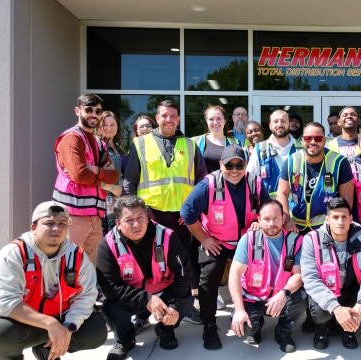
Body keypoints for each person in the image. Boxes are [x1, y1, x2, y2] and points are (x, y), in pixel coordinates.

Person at [0, 201, 106, 360]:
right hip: (24, 321)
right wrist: (49, 324)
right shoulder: (13, 254)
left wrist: (68, 327)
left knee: (95, 331)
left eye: (62, 224)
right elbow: (6, 301)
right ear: (33, 227)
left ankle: (47, 349)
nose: (56, 228)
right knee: (1, 332)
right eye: (49, 223)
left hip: (61, 319)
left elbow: (87, 295)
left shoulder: (77, 256)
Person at [123, 99, 207, 326]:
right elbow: (130, 181)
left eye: (173, 116)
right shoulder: (140, 144)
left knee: (183, 263)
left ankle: (184, 306)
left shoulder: (190, 145)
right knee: (148, 263)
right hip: (152, 216)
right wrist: (140, 213)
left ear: (178, 118)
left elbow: (202, 182)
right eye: (164, 116)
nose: (168, 119)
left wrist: (192, 211)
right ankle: (142, 312)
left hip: (181, 218)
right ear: (157, 118)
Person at [180, 144, 270, 350]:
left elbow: (267, 208)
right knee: (208, 279)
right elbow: (187, 213)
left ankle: (251, 314)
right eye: (230, 165)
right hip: (217, 242)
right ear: (221, 165)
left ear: (246, 165)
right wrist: (204, 239)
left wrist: (260, 221)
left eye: (240, 165)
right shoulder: (208, 185)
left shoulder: (255, 182)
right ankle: (209, 325)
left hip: (246, 241)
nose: (235, 170)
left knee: (258, 275)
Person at [96, 195, 194, 360]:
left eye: (140, 217)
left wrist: (175, 306)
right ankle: (125, 340)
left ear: (147, 217)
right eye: (129, 220)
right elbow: (110, 287)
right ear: (118, 223)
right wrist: (147, 300)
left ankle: (165, 328)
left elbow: (184, 273)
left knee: (185, 301)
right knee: (111, 309)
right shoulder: (107, 246)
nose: (136, 224)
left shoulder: (167, 236)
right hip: (133, 296)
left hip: (164, 292)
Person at [300, 197, 361, 350]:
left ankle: (349, 328)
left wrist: (360, 305)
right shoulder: (311, 239)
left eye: (344, 217)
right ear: (327, 219)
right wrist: (335, 307)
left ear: (351, 218)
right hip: (326, 291)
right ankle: (322, 327)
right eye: (335, 217)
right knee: (320, 312)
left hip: (352, 291)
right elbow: (310, 279)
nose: (340, 222)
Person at [228, 200, 306, 353]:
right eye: (267, 219)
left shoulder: (296, 241)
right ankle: (256, 325)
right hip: (253, 296)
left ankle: (283, 333)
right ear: (259, 220)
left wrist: (284, 293)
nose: (271, 223)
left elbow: (299, 275)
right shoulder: (249, 239)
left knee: (302, 298)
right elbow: (234, 275)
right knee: (244, 328)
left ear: (283, 218)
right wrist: (238, 310)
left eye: (276, 218)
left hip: (281, 296)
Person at [53, 93, 120, 264]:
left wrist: (95, 169)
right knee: (67, 266)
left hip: (95, 217)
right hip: (72, 216)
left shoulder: (99, 143)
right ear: (78, 111)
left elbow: (114, 176)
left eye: (98, 111)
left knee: (90, 269)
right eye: (88, 110)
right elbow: (79, 174)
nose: (93, 115)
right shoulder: (72, 137)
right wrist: (102, 181)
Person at [276, 122, 354, 233]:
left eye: (317, 138)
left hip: (325, 227)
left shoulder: (339, 162)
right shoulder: (291, 161)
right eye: (308, 138)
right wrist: (287, 219)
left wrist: (337, 224)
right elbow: (282, 193)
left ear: (324, 140)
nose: (312, 142)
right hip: (295, 226)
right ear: (302, 140)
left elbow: (346, 200)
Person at [246, 109, 301, 199]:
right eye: (275, 121)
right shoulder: (259, 149)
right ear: (270, 126)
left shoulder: (301, 148)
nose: (279, 125)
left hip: (296, 209)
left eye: (283, 121)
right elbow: (250, 180)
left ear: (289, 124)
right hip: (269, 207)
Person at [96, 111, 127, 234]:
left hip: (120, 200)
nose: (109, 128)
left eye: (112, 124)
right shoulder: (97, 146)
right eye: (105, 125)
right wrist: (112, 187)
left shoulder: (120, 147)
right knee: (106, 239)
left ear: (117, 126)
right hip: (105, 200)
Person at [193, 105, 241, 173]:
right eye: (211, 119)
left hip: (228, 183)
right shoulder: (195, 142)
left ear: (224, 121)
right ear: (206, 121)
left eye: (218, 118)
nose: (215, 122)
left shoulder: (237, 143)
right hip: (204, 183)